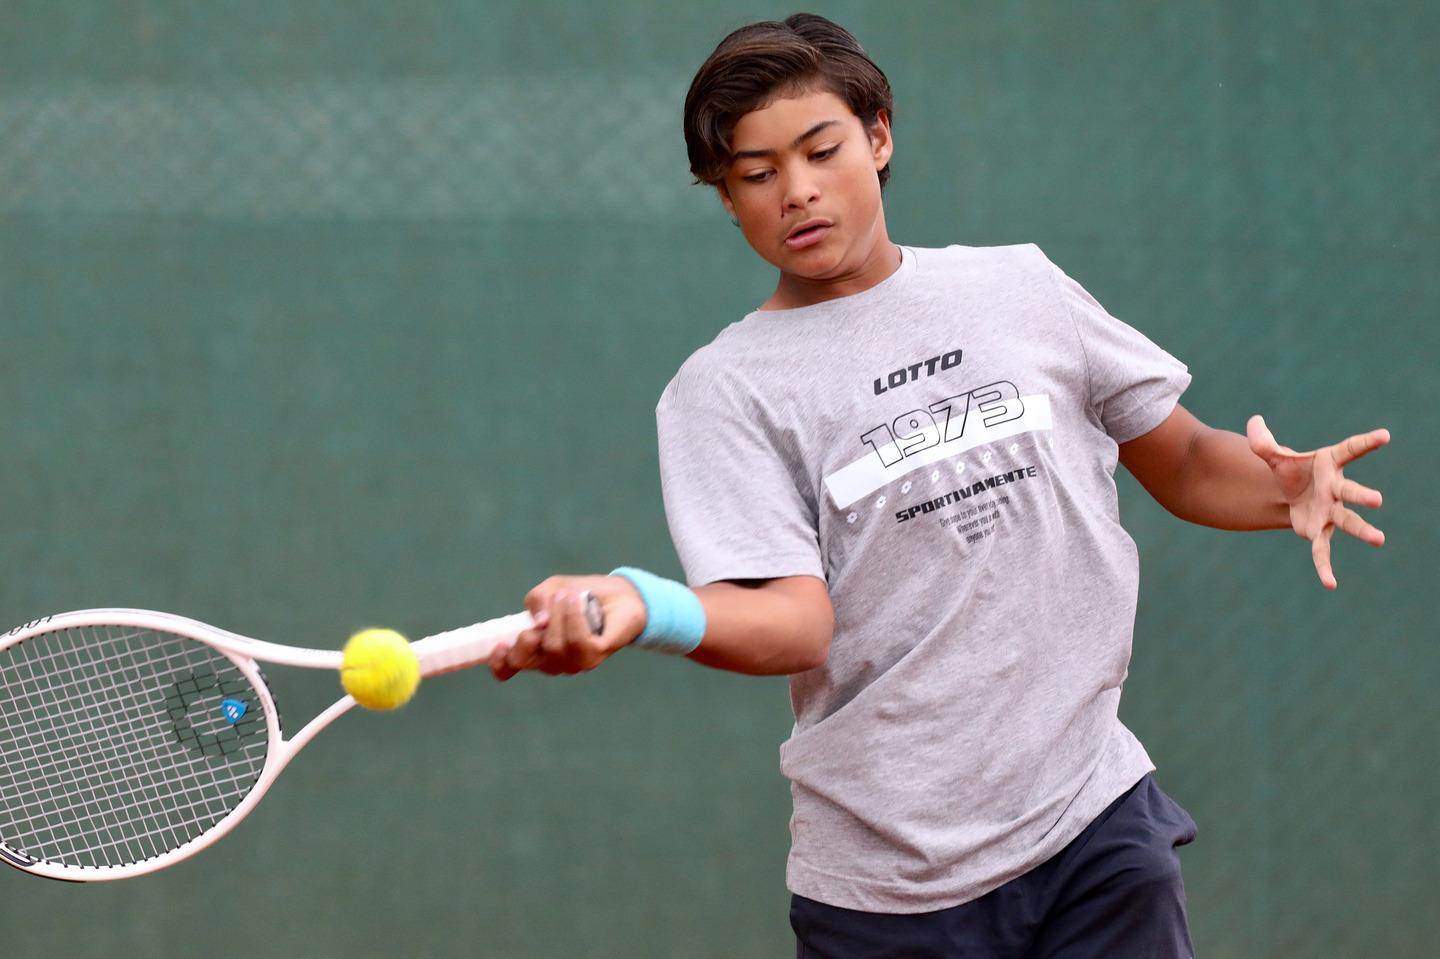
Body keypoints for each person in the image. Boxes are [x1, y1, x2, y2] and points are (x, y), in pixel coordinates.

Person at [486, 13, 1390, 958]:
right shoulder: (723, 392)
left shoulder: (1023, 289)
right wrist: (647, 605)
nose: (796, 191)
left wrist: (1285, 487)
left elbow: (1187, 461)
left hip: (1095, 824)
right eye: (755, 175)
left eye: (820, 150)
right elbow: (794, 620)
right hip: (890, 887)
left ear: (879, 137)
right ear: (726, 198)